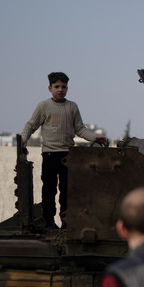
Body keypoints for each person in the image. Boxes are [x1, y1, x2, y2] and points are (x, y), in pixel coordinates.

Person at [21, 71, 107, 230]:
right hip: (49, 155)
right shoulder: (44, 106)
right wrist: (24, 138)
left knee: (67, 191)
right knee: (49, 190)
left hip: (68, 155)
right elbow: (31, 124)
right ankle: (49, 222)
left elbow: (80, 129)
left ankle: (66, 222)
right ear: (50, 88)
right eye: (57, 87)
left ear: (67, 88)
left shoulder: (72, 106)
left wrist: (95, 138)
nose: (60, 90)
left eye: (64, 87)